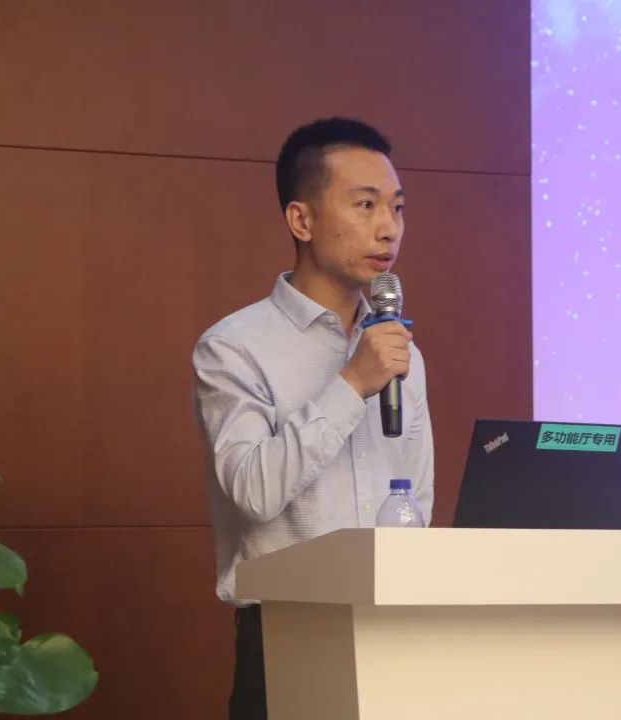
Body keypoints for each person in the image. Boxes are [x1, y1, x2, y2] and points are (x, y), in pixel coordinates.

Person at [191, 117, 435, 719]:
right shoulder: (234, 347)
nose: (389, 227)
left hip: (396, 636)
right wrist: (352, 383)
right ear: (301, 220)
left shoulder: (399, 349)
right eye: (365, 204)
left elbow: (418, 501)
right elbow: (253, 491)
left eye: (397, 207)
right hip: (287, 637)